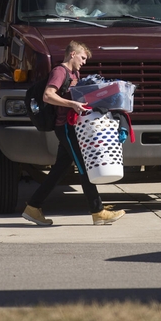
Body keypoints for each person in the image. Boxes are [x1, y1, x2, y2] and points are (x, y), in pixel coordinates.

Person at [22, 41, 126, 226]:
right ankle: (97, 211)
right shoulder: (60, 71)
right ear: (72, 54)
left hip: (73, 127)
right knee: (85, 166)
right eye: (83, 57)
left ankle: (33, 207)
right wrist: (72, 104)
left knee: (59, 170)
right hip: (65, 127)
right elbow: (48, 95)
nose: (84, 62)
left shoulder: (75, 73)